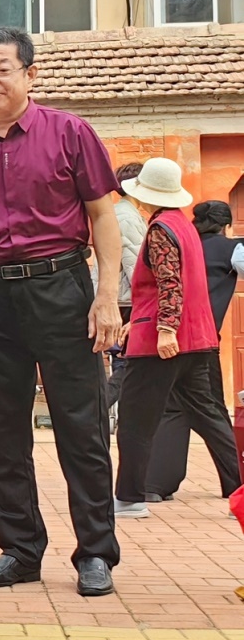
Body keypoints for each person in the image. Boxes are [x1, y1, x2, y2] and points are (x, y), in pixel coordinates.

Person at [0, 26, 124, 598]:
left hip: (62, 288)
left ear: (29, 74)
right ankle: (19, 550)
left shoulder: (70, 132)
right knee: (4, 429)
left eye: (2, 69)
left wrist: (105, 296)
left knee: (81, 426)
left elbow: (103, 217)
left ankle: (95, 552)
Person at [112, 165, 242, 517]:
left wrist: (165, 328)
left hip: (162, 341)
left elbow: (169, 283)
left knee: (135, 419)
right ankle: (239, 486)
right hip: (198, 339)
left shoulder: (161, 229)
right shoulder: (183, 224)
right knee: (210, 416)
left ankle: (130, 497)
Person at [144, 200, 243, 501]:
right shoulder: (232, 249)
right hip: (202, 339)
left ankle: (156, 484)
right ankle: (237, 484)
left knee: (172, 407)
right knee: (211, 410)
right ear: (226, 225)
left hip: (167, 334)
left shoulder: (178, 241)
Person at [102, 162, 147, 409]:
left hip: (122, 299)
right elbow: (137, 268)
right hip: (127, 301)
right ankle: (98, 412)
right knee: (129, 364)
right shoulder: (127, 217)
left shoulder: (121, 213)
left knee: (126, 364)